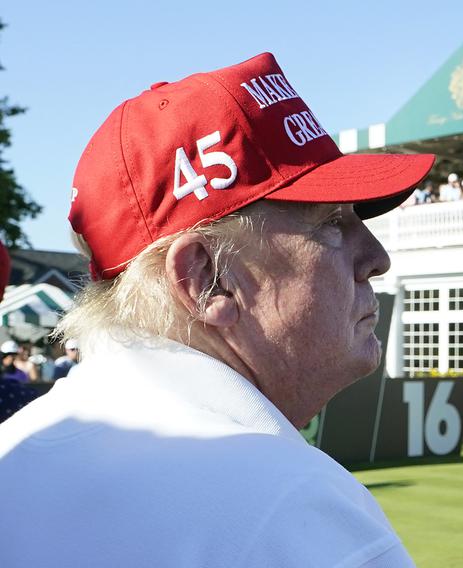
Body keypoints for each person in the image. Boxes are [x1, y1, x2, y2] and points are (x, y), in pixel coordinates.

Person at [0, 53, 435, 567]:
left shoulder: (16, 451)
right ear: (207, 281)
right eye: (331, 224)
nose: (376, 259)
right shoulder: (290, 505)